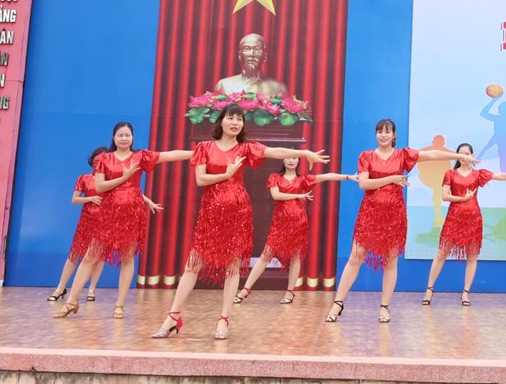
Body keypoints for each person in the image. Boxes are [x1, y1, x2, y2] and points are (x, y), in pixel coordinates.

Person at [151, 105, 329, 340]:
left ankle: (223, 319)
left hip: (238, 211)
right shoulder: (205, 148)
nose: (235, 122)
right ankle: (173, 317)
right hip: (211, 213)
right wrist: (226, 174)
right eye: (231, 118)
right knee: (193, 264)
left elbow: (273, 151)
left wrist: (305, 154)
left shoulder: (246, 148)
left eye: (239, 119)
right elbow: (201, 179)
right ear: (221, 121)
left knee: (233, 266)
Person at [326, 118, 475, 324]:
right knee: (355, 257)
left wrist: (459, 156)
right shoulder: (366, 156)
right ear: (376, 134)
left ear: (394, 135)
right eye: (380, 131)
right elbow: (364, 184)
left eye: (387, 132)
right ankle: (338, 303)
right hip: (369, 215)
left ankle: (385, 307)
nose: (383, 135)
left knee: (391, 261)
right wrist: (391, 179)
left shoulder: (403, 155)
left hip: (394, 216)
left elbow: (432, 154)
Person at [54, 123, 190, 320]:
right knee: (90, 257)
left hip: (132, 214)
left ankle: (119, 305)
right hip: (108, 214)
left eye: (128, 135)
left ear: (132, 137)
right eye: (120, 135)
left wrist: (196, 153)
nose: (124, 138)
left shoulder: (140, 156)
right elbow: (100, 186)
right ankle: (71, 301)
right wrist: (124, 177)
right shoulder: (103, 159)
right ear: (114, 137)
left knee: (127, 258)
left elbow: (169, 155)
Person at [232, 156, 357, 305]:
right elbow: (276, 195)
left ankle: (290, 292)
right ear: (283, 160)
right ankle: (245, 290)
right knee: (265, 255)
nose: (291, 161)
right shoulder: (275, 177)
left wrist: (348, 177)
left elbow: (326, 176)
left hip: (299, 223)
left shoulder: (303, 179)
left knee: (295, 257)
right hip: (280, 224)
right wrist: (298, 195)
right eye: (288, 158)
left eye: (294, 158)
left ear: (298, 161)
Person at [421, 142, 506, 306]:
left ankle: (466, 293)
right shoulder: (450, 174)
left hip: (473, 220)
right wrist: (463, 198)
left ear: (472, 156)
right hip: (454, 218)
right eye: (461, 153)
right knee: (441, 253)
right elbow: (444, 196)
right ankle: (429, 290)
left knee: (472, 257)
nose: (464, 156)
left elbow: (499, 176)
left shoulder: (478, 174)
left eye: (467, 153)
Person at [46, 147, 109, 303]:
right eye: (97, 159)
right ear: (92, 161)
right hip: (86, 221)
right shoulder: (84, 178)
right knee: (74, 255)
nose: (99, 162)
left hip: (104, 221)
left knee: (98, 257)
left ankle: (92, 289)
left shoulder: (110, 181)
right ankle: (60, 288)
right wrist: (89, 199)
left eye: (103, 159)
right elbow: (74, 199)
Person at [214, 33, 288, 97]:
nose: (252, 54)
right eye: (246, 48)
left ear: (265, 56)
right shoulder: (224, 85)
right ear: (240, 55)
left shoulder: (278, 88)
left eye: (257, 49)